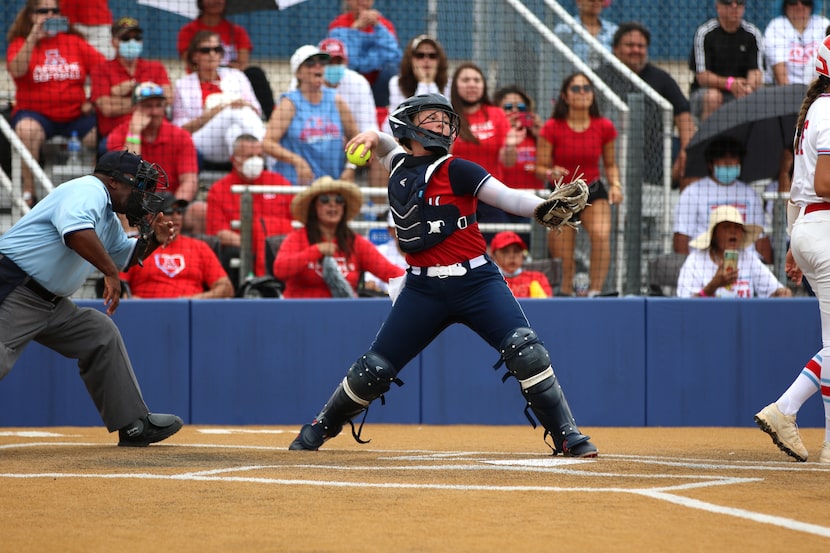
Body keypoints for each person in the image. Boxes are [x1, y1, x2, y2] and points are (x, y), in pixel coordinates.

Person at [288, 93, 598, 458]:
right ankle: (322, 426)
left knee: (525, 350)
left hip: (476, 281)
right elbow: (389, 148)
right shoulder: (399, 165)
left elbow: (506, 196)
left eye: (445, 119)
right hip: (422, 287)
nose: (442, 125)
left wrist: (541, 206)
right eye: (431, 118)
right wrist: (372, 135)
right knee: (373, 369)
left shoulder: (457, 168)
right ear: (408, 126)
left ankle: (566, 433)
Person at [0, 149, 183, 446]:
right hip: (15, 287)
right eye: (138, 185)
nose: (143, 194)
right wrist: (109, 273)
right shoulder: (88, 189)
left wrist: (154, 242)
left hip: (51, 303)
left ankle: (132, 423)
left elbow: (126, 256)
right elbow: (76, 232)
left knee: (99, 333)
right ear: (113, 181)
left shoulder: (107, 215)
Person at [754, 37, 830, 463]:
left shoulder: (815, 110)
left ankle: (789, 412)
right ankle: (787, 411)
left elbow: (798, 191)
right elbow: (823, 185)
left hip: (809, 227)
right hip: (824, 226)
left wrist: (791, 242)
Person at [6, 0, 107, 206]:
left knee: (105, 128)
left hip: (75, 116)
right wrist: (33, 36)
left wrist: (93, 99)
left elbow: (105, 71)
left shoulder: (74, 41)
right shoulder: (20, 42)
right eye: (43, 11)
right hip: (36, 115)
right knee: (26, 130)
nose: (50, 14)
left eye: (55, 10)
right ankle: (29, 193)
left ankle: (98, 191)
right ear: (31, 15)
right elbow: (16, 70)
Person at [536, 72, 623, 297]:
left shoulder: (603, 126)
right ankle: (565, 295)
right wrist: (550, 171)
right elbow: (540, 167)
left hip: (592, 189)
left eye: (587, 88)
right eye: (576, 89)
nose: (582, 92)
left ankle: (595, 292)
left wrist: (615, 185)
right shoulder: (552, 127)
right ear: (565, 96)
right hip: (560, 195)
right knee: (563, 253)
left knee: (602, 235)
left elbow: (611, 164)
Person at [595, 21, 695, 186]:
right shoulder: (600, 77)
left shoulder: (661, 78)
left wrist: (685, 152)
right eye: (630, 45)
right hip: (609, 159)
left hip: (654, 164)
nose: (636, 50)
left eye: (641, 46)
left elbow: (683, 111)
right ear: (615, 48)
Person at [272, 177, 404, 298]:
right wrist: (316, 251)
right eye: (325, 200)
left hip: (343, 314)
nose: (333, 204)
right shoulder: (297, 238)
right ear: (313, 207)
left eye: (339, 200)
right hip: (300, 313)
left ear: (344, 207)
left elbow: (389, 271)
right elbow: (280, 270)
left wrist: (420, 283)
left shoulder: (355, 243)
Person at [108, 82, 200, 232]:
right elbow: (127, 175)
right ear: (134, 109)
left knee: (200, 211)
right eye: (148, 106)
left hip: (170, 201)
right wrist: (134, 133)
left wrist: (171, 208)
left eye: (159, 105)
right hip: (134, 200)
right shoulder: (118, 135)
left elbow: (189, 180)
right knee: (124, 200)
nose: (155, 111)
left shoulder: (180, 136)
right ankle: (132, 247)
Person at [263, 45, 359, 186]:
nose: (318, 66)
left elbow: (357, 138)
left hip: (330, 185)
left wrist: (351, 168)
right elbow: (267, 143)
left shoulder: (336, 100)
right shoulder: (289, 103)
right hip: (296, 185)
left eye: (321, 62)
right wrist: (297, 161)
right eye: (310, 63)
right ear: (298, 73)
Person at [206, 134, 294, 278]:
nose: (256, 161)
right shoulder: (219, 190)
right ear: (234, 160)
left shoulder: (278, 182)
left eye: (259, 156)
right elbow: (219, 233)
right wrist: (256, 245)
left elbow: (298, 221)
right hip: (244, 249)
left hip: (281, 248)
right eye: (249, 156)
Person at [172, 30, 265, 166]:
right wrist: (214, 113)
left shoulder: (237, 76)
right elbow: (179, 130)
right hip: (202, 141)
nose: (212, 54)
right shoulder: (183, 85)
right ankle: (267, 148)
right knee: (232, 112)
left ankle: (248, 169)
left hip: (235, 141)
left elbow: (257, 111)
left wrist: (244, 104)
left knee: (235, 131)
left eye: (217, 49)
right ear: (194, 56)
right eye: (205, 50)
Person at [673, 136, 771, 263]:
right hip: (706, 266)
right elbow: (681, 237)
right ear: (710, 163)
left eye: (733, 157)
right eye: (722, 158)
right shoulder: (692, 193)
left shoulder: (749, 194)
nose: (728, 162)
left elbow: (761, 238)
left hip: (746, 266)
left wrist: (768, 267)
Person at [449, 62, 523, 224]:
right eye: (466, 80)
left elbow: (508, 162)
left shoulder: (496, 114)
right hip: (457, 196)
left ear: (483, 85)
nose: (472, 85)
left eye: (477, 80)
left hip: (490, 195)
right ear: (455, 85)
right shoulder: (448, 116)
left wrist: (510, 146)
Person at [123, 193, 233, 299]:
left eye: (179, 212)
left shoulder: (200, 247)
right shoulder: (135, 245)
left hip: (190, 313)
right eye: (170, 211)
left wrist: (193, 301)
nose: (176, 217)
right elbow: (118, 286)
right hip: (146, 312)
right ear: (152, 217)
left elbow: (226, 288)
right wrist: (131, 300)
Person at [176, 0, 274, 118]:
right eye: (205, 50)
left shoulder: (236, 31)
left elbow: (242, 63)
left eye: (217, 49)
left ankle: (270, 115)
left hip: (230, 81)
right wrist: (213, 66)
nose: (216, 1)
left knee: (255, 73)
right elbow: (191, 63)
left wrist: (220, 68)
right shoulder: (188, 31)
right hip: (200, 79)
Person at [90, 17, 172, 155]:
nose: (132, 42)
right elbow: (107, 108)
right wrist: (150, 100)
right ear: (114, 42)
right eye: (126, 38)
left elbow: (168, 98)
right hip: (118, 136)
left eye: (137, 38)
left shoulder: (156, 67)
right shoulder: (101, 70)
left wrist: (120, 95)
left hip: (157, 134)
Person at [676, 205, 792, 298]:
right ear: (714, 235)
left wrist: (782, 293)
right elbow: (686, 307)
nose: (733, 232)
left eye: (737, 227)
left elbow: (776, 290)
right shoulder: (695, 261)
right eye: (726, 227)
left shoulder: (748, 258)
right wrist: (712, 286)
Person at [689, 0, 764, 121]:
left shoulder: (752, 34)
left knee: (753, 98)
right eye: (728, 2)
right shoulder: (705, 33)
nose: (734, 6)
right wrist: (730, 84)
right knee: (714, 97)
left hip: (740, 92)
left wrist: (748, 87)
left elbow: (756, 72)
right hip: (706, 93)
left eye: (739, 2)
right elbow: (703, 77)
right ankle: (708, 139)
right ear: (717, 6)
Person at [327, 0, 402, 115]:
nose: (362, 1)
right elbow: (347, 60)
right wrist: (355, 29)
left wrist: (377, 27)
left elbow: (394, 55)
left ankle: (383, 110)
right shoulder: (338, 24)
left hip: (378, 84)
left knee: (392, 69)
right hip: (350, 84)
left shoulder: (385, 25)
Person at [764, 0, 829, 85]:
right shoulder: (776, 26)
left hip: (819, 89)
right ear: (785, 6)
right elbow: (781, 75)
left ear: (812, 6)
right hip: (787, 90)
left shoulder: (823, 24)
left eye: (806, 2)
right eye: (793, 2)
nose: (800, 7)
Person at [493, 85, 543, 191]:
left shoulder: (533, 134)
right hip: (502, 198)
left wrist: (541, 136)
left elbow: (548, 168)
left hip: (535, 197)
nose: (515, 110)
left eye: (520, 107)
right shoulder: (493, 135)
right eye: (508, 107)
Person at [387, 34, 450, 117]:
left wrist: (430, 82)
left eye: (432, 56)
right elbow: (407, 117)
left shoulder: (449, 84)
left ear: (439, 60)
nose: (426, 60)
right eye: (420, 55)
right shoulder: (396, 83)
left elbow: (442, 114)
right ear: (411, 59)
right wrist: (423, 82)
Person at [552, 0, 618, 69]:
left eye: (600, 0)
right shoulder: (565, 29)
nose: (596, 2)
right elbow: (558, 61)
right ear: (579, 1)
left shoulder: (613, 30)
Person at [490, 231, 552, 298]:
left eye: (516, 251)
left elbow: (547, 306)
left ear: (522, 255)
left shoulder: (538, 278)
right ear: (494, 256)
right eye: (505, 251)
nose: (512, 256)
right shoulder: (489, 281)